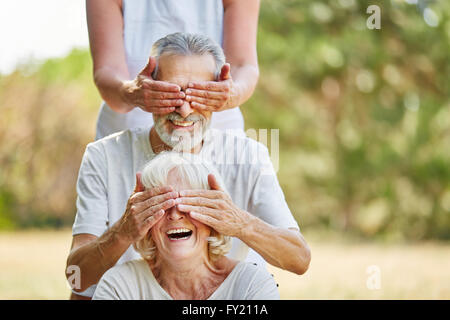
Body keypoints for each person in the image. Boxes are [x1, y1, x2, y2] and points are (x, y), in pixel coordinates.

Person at [67, 33, 310, 299]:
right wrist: (122, 232)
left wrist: (239, 222)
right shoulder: (103, 156)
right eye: (170, 93)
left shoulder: (249, 156)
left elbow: (299, 259)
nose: (183, 110)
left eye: (199, 95)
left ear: (219, 94)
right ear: (149, 89)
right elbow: (76, 278)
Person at [92, 152, 280, 300]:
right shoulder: (119, 285)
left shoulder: (252, 284)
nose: (174, 214)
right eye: (162, 204)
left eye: (189, 203)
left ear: (215, 217)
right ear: (145, 222)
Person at [86, 0, 260, 139]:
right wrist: (132, 92)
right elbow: (106, 69)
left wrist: (232, 93)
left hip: (216, 135)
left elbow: (243, 65)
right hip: (127, 137)